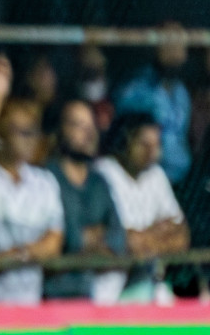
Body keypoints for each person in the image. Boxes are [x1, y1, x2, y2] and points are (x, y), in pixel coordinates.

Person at [0, 54, 64, 304]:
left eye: (32, 130)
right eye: (21, 131)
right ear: (0, 136)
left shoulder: (45, 182)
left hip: (29, 304)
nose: (30, 137)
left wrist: (15, 255)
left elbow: (53, 243)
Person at [94, 112, 189, 303]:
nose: (152, 153)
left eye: (156, 146)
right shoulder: (103, 172)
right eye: (144, 145)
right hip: (108, 290)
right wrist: (158, 234)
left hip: (149, 284)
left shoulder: (156, 174)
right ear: (124, 142)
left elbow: (182, 236)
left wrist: (143, 240)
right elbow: (123, 241)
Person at [45, 99, 127, 301]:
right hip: (53, 294)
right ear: (59, 131)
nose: (89, 134)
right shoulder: (45, 178)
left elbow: (118, 238)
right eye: (78, 125)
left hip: (93, 292)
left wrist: (85, 240)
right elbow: (68, 240)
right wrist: (90, 238)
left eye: (91, 126)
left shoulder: (100, 181)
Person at [117, 22, 193, 185]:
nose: (175, 52)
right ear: (157, 48)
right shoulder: (139, 87)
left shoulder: (182, 93)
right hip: (149, 175)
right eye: (169, 44)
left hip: (183, 178)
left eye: (179, 46)